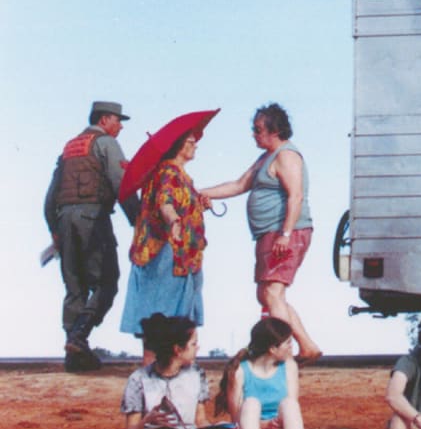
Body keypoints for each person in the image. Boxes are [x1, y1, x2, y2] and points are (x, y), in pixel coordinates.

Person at [202, 103, 321, 362]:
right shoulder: (266, 157)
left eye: (258, 129)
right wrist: (199, 193)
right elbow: (238, 185)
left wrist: (285, 234)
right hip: (269, 233)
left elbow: (296, 196)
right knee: (266, 294)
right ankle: (307, 345)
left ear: (274, 130)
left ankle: (282, 352)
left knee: (273, 293)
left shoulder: (287, 156)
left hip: (285, 232)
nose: (253, 134)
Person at [44, 100, 134, 372]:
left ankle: (74, 356)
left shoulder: (69, 148)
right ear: (105, 120)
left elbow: (50, 197)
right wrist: (139, 220)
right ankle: (78, 337)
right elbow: (122, 184)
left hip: (64, 222)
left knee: (75, 288)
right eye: (118, 121)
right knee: (107, 282)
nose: (120, 127)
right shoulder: (106, 143)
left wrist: (55, 230)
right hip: (93, 221)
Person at [119, 129, 207, 344]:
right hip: (167, 254)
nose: (195, 145)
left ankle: (165, 360)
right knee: (161, 316)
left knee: (171, 319)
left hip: (184, 255)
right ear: (178, 146)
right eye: (190, 141)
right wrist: (173, 220)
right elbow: (165, 202)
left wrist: (198, 204)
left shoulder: (180, 175)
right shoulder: (168, 172)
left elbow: (180, 204)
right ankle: (153, 362)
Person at [214, 318, 307, 429]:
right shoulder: (240, 371)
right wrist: (263, 428)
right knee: (251, 403)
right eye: (288, 343)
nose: (292, 347)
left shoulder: (289, 366)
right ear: (272, 349)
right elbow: (237, 421)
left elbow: (290, 415)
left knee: (289, 404)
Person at [121, 313, 209, 429]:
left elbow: (200, 420)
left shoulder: (196, 375)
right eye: (193, 344)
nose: (198, 348)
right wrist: (147, 421)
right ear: (178, 349)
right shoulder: (139, 379)